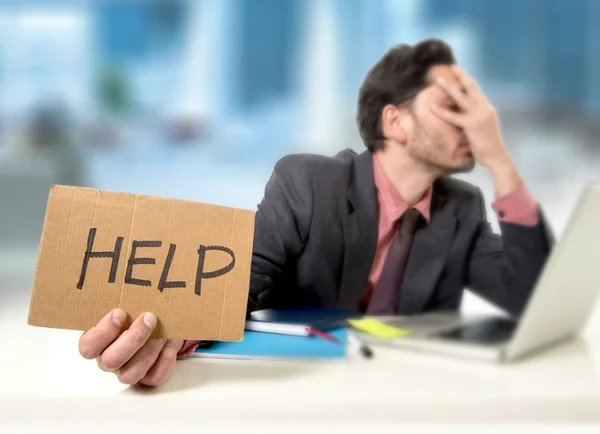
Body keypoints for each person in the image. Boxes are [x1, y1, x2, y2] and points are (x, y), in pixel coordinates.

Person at [77, 39, 553, 386]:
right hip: (303, 397)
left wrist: (499, 159)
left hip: (411, 403)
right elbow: (239, 280)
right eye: (452, 106)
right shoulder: (307, 182)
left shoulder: (462, 209)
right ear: (396, 121)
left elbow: (532, 298)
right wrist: (167, 330)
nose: (474, 120)